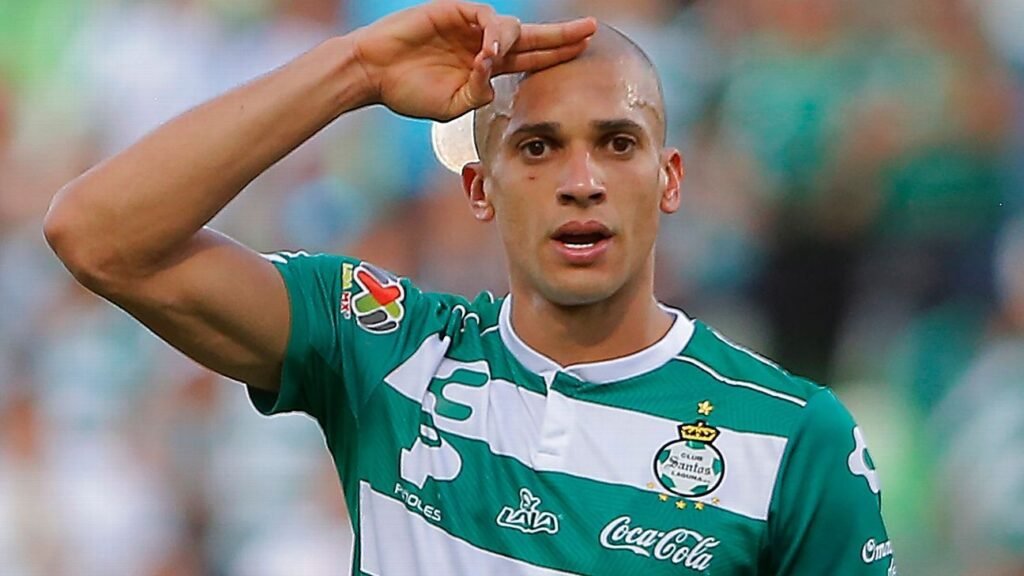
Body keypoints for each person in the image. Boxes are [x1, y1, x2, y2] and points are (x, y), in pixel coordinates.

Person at [44, 2, 895, 574]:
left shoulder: (794, 437)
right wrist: (355, 70)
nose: (582, 182)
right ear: (481, 188)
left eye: (617, 143)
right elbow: (99, 235)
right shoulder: (388, 350)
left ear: (669, 179)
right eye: (537, 148)